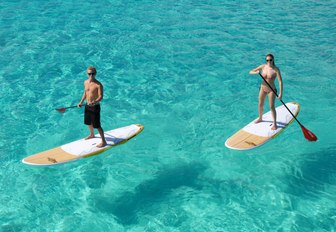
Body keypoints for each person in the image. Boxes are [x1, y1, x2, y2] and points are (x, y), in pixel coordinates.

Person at [249, 54, 283, 130]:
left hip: (271, 90)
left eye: (270, 60)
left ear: (273, 60)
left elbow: (280, 82)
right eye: (267, 60)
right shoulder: (263, 66)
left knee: (271, 106)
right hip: (262, 88)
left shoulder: (276, 69)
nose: (269, 61)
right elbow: (250, 71)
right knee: (260, 104)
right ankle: (260, 118)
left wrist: (281, 93)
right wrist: (256, 72)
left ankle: (274, 123)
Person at [77, 66, 107, 147]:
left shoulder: (98, 85)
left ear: (95, 74)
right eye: (89, 74)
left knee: (97, 125)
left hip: (95, 107)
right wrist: (81, 102)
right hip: (87, 105)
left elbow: (101, 96)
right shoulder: (85, 82)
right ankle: (92, 134)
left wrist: (95, 101)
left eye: (93, 74)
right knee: (88, 122)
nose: (91, 75)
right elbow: (85, 93)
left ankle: (104, 141)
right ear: (87, 74)